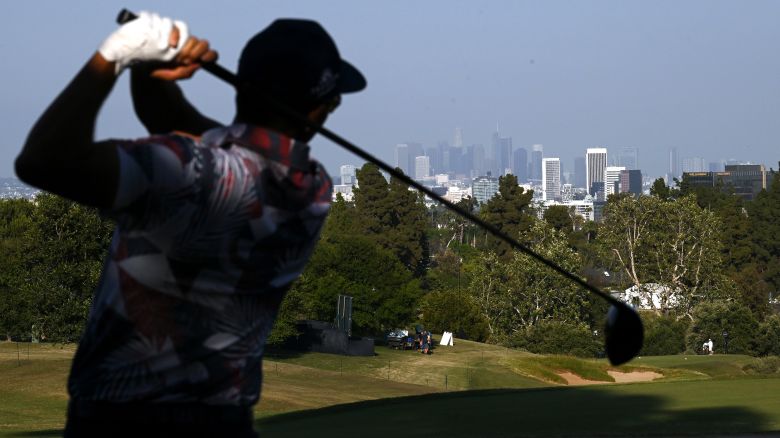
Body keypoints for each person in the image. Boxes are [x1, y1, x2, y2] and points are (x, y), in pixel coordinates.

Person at [15, 11, 365, 438]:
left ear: (239, 85)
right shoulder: (311, 188)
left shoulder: (194, 171)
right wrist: (151, 73)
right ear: (322, 106)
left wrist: (114, 55)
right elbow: (180, 127)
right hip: (224, 422)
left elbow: (43, 160)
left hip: (116, 422)